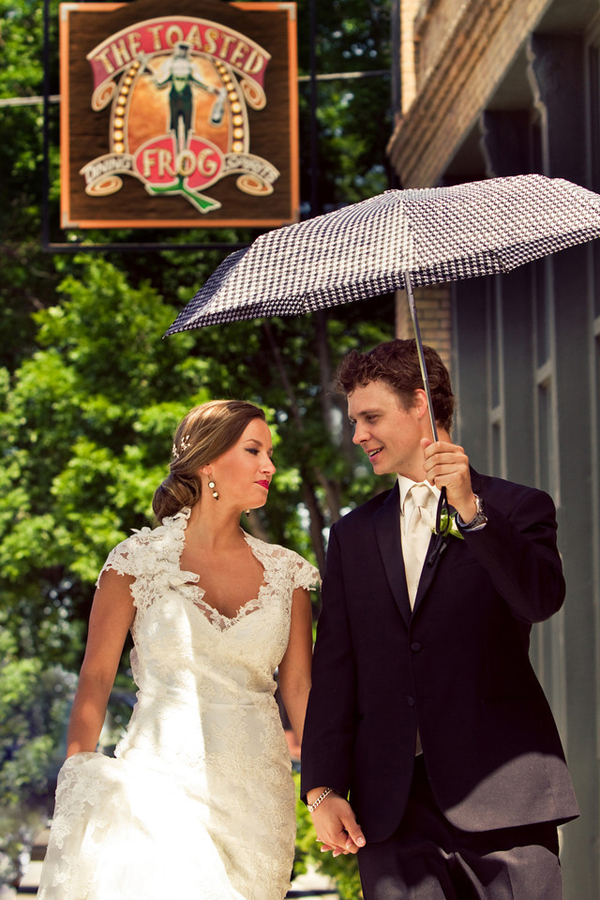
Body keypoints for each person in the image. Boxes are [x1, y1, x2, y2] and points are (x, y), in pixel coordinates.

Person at [301, 339, 579, 900]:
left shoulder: (519, 508)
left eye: (371, 416)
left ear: (420, 404)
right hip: (391, 809)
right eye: (355, 420)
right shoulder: (353, 535)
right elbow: (335, 666)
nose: (358, 435)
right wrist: (323, 788)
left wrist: (474, 513)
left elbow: (540, 601)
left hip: (506, 793)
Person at [38, 399, 318, 900]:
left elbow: (299, 689)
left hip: (259, 801)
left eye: (270, 453)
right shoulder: (135, 561)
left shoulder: (288, 573)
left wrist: (323, 790)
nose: (269, 466)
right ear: (207, 461)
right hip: (157, 784)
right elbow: (97, 677)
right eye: (254, 450)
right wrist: (76, 776)